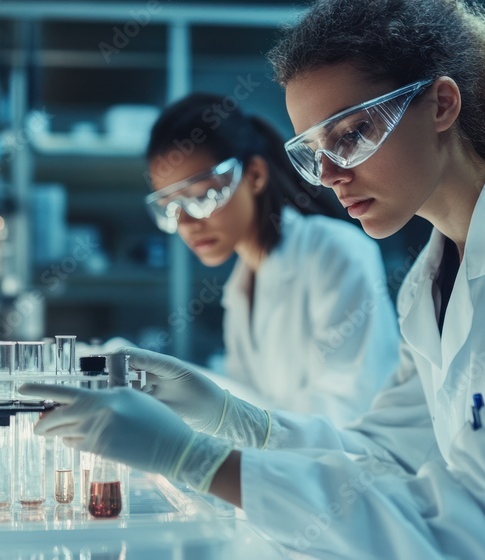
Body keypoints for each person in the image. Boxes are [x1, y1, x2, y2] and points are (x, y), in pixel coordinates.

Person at [20, 1, 485, 558]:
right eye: (314, 149)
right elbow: (384, 457)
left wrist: (200, 461)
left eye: (351, 134)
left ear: (441, 103)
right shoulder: (430, 279)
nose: (332, 173)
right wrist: (229, 419)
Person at [141, 93, 399, 423]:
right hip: (287, 467)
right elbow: (246, 403)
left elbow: (350, 411)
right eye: (170, 207)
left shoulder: (335, 251)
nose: (187, 223)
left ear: (255, 176)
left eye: (202, 196)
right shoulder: (242, 285)